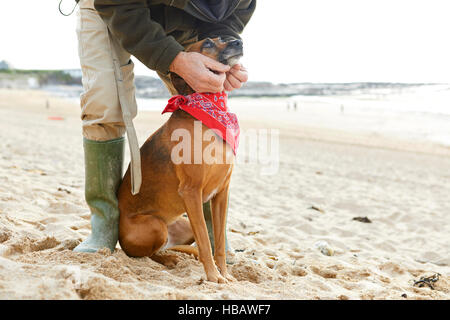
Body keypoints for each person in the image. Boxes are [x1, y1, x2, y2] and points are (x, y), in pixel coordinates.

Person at [73, 0, 256, 254]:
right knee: (105, 103)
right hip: (114, 6)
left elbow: (232, 17)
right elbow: (115, 4)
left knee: (203, 110)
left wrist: (225, 61)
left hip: (185, 17)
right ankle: (104, 226)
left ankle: (215, 236)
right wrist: (173, 58)